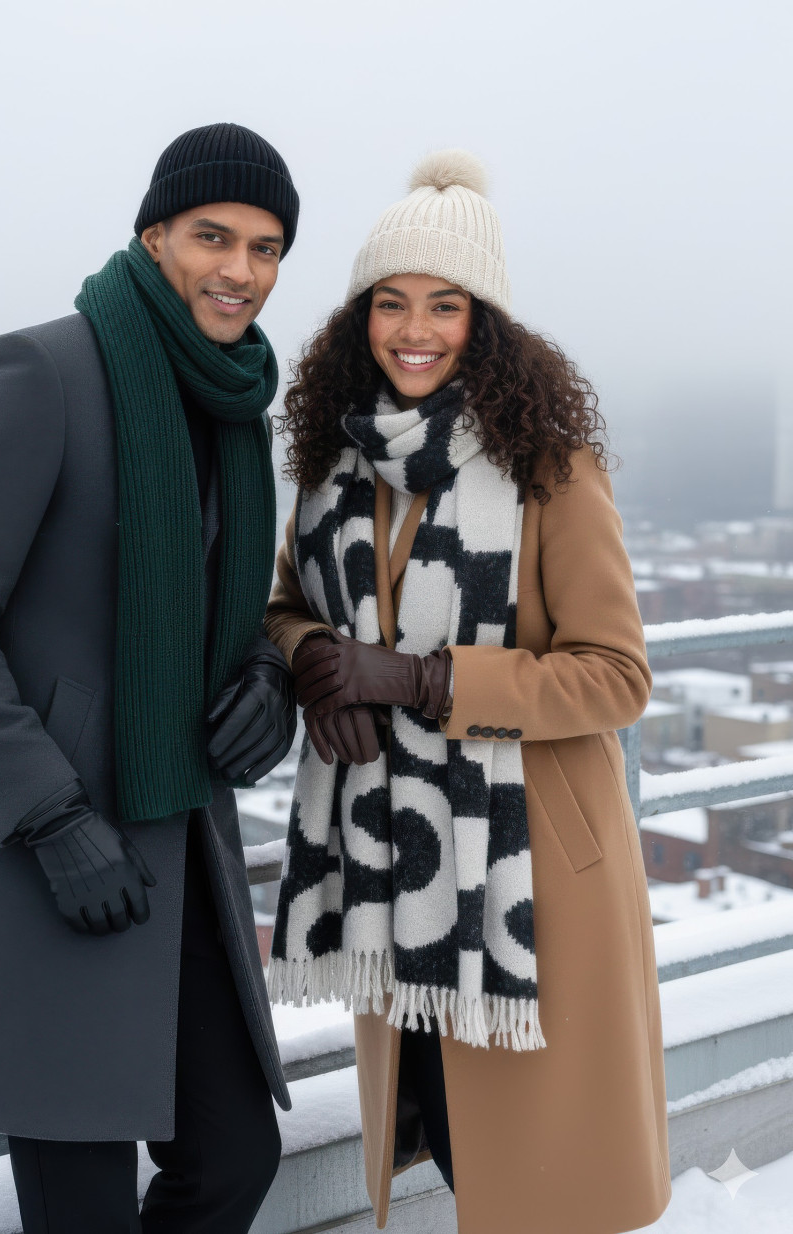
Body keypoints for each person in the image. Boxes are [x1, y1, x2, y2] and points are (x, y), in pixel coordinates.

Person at [0, 122, 300, 1234]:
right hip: (52, 861)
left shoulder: (232, 407)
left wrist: (267, 667)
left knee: (236, 1154)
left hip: (180, 849)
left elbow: (219, 598)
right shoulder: (38, 371)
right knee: (81, 1209)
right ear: (154, 235)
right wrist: (52, 817)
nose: (240, 269)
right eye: (214, 236)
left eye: (266, 248)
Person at [264, 150, 672, 1234]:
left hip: (533, 876)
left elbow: (618, 674)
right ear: (360, 319)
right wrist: (316, 658)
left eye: (445, 305)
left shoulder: (553, 466)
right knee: (447, 1130)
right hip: (395, 865)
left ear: (483, 323)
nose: (415, 329)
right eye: (390, 303)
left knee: (546, 1176)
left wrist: (417, 678)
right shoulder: (327, 467)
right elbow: (282, 603)